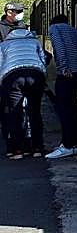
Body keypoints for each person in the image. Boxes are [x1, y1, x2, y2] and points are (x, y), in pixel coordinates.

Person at [0, 23, 46, 159]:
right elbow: (42, 59)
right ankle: (37, 148)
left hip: (13, 75)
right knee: (35, 112)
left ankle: (18, 150)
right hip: (35, 74)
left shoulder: (4, 44)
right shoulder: (35, 42)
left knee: (15, 113)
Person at [47, 14, 77, 159]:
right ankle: (72, 143)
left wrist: (63, 67)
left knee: (64, 109)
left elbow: (59, 48)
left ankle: (68, 145)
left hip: (67, 73)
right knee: (73, 109)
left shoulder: (54, 29)